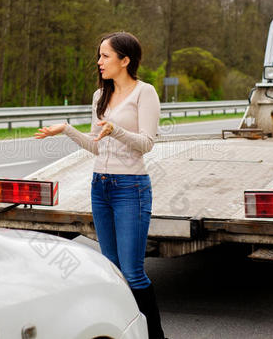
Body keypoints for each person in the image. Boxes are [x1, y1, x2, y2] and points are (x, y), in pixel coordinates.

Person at [35, 32, 166, 339]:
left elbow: (146, 144)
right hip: (101, 186)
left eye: (105, 56)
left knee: (132, 272)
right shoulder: (100, 97)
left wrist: (116, 130)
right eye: (99, 56)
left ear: (125, 60)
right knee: (111, 270)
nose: (99, 62)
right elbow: (97, 146)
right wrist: (67, 129)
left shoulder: (144, 93)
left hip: (130, 188)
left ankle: (156, 336)